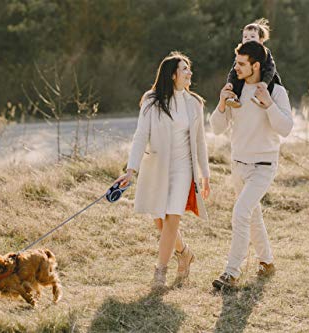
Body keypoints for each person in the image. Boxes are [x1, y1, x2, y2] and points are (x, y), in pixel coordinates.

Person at [114, 51, 210, 290]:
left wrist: (205, 173)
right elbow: (140, 136)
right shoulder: (151, 100)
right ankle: (184, 253)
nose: (190, 72)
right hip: (157, 166)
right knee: (161, 222)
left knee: (172, 217)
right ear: (172, 74)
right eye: (184, 69)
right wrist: (131, 170)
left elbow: (200, 141)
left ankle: (160, 272)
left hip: (183, 168)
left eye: (189, 68)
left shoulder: (194, 103)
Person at [209, 41, 293, 289]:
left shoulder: (276, 91)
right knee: (252, 215)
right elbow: (216, 128)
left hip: (263, 166)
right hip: (238, 165)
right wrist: (222, 103)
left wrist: (268, 104)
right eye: (236, 63)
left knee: (241, 213)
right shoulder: (235, 88)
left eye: (242, 64)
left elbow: (286, 129)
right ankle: (267, 262)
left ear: (256, 65)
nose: (236, 67)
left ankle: (231, 273)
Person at [225, 18, 283, 108]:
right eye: (245, 37)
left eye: (252, 37)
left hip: (266, 75)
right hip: (246, 77)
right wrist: (230, 83)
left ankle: (263, 99)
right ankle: (235, 98)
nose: (248, 39)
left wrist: (265, 82)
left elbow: (270, 68)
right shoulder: (241, 52)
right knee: (237, 79)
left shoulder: (265, 52)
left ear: (261, 41)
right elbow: (234, 70)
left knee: (271, 82)